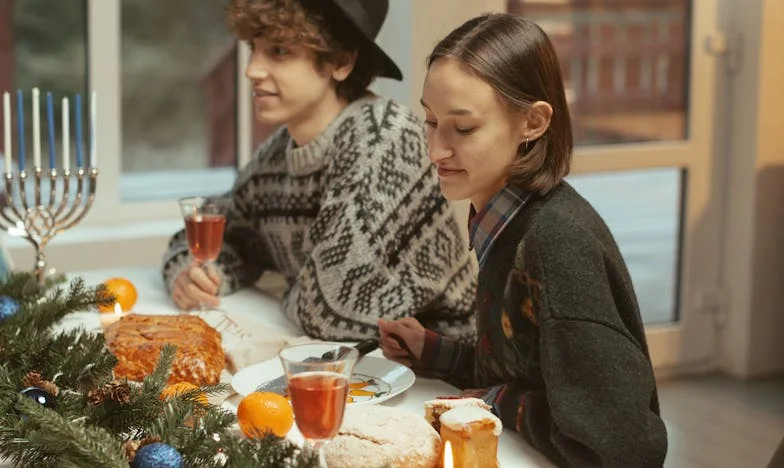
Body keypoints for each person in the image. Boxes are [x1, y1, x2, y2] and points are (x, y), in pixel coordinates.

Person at [378, 13, 668, 467]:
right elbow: (528, 370)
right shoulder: (502, 218)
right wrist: (437, 353)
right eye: (431, 122)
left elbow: (623, 447)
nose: (435, 150)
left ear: (532, 122)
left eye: (464, 128)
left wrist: (503, 402)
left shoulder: (556, 243)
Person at [161, 0, 477, 342]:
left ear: (340, 61)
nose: (252, 69)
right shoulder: (279, 151)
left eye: (279, 51)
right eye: (254, 48)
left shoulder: (384, 137)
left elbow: (327, 312)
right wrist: (191, 273)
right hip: (355, 362)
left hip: (440, 371)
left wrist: (284, 284)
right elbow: (211, 232)